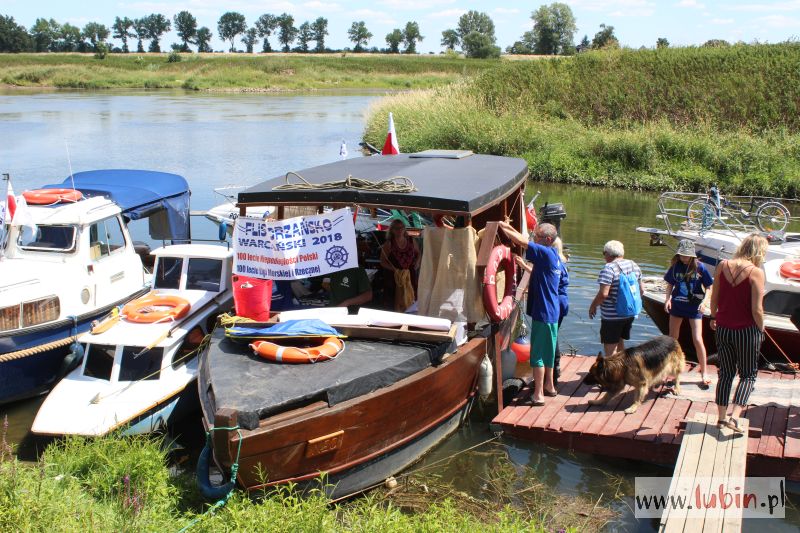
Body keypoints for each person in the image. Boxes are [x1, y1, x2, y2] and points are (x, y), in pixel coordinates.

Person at [500, 221, 562, 406]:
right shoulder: (554, 256)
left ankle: (538, 394)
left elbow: (523, 242)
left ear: (548, 240)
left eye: (538, 237)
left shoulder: (544, 252)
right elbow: (526, 241)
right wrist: (507, 225)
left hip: (543, 313)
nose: (534, 239)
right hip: (553, 311)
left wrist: (501, 227)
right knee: (549, 353)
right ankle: (550, 387)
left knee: (537, 356)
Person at [710, 234, 767, 434]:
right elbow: (757, 310)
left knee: (725, 373)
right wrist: (761, 328)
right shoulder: (756, 272)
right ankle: (735, 417)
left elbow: (714, 297)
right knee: (748, 375)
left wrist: (713, 317)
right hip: (746, 331)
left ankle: (720, 418)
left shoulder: (722, 265)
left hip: (723, 328)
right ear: (759, 251)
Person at [663, 240, 713, 388]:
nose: (684, 258)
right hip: (677, 305)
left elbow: (710, 287)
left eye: (686, 256)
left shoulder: (700, 267)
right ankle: (671, 370)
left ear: (692, 256)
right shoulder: (675, 267)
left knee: (697, 339)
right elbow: (670, 284)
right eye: (681, 255)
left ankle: (704, 372)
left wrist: (704, 302)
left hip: (694, 307)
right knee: (673, 339)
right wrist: (667, 299)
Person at [589, 240, 643, 357]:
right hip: (629, 314)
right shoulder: (633, 264)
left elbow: (604, 294)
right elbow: (641, 290)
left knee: (610, 350)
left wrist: (593, 306)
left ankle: (612, 374)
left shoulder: (609, 269)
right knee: (619, 341)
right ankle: (622, 372)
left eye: (604, 253)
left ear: (608, 254)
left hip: (612, 317)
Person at [379, 218, 421, 311]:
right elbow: (382, 261)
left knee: (411, 296)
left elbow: (418, 253)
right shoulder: (389, 244)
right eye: (397, 228)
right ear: (392, 230)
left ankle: (411, 317)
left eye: (402, 227)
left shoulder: (411, 240)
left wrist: (417, 263)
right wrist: (395, 270)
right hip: (394, 277)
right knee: (394, 300)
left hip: (410, 276)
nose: (400, 230)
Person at [553, 237, 569, 386]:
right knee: (554, 334)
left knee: (552, 336)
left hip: (555, 305)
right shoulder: (562, 262)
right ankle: (556, 368)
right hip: (563, 303)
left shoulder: (553, 262)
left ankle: (554, 370)